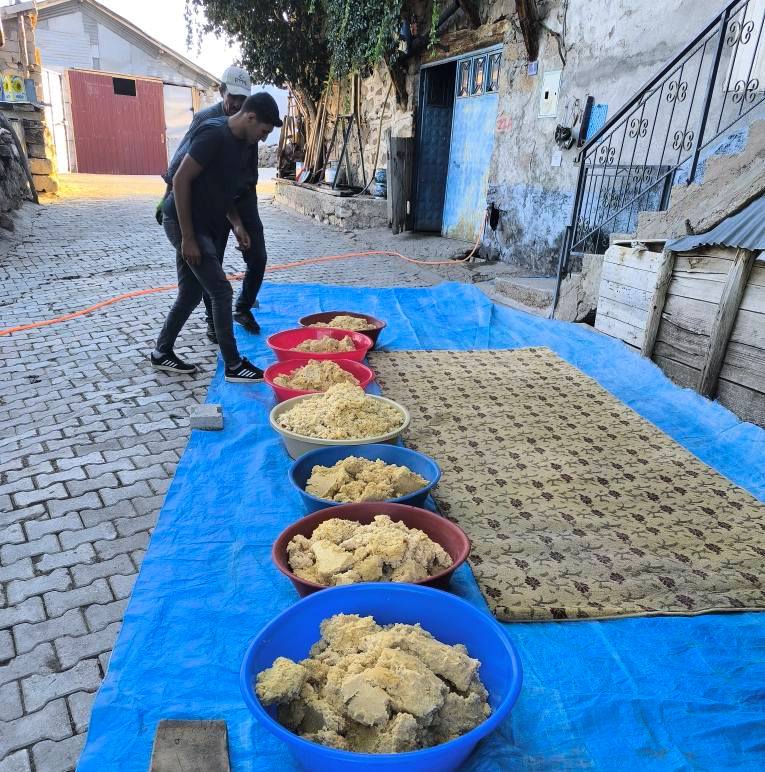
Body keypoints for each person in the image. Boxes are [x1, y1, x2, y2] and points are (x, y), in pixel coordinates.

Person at [151, 94, 281, 383]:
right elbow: (181, 179)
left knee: (190, 293)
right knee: (221, 291)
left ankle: (162, 352)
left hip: (205, 224)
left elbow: (225, 190)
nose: (262, 139)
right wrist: (187, 238)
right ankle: (233, 365)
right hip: (184, 222)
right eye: (263, 132)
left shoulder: (242, 145)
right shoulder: (214, 134)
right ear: (250, 118)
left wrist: (237, 224)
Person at [161, 66, 270, 341]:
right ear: (222, 91)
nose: (236, 104)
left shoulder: (251, 122)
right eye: (232, 96)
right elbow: (181, 169)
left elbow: (244, 171)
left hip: (240, 196)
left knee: (257, 255)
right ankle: (215, 325)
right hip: (211, 201)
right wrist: (169, 203)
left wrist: (239, 221)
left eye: (242, 99)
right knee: (212, 267)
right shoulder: (207, 123)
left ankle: (242, 308)